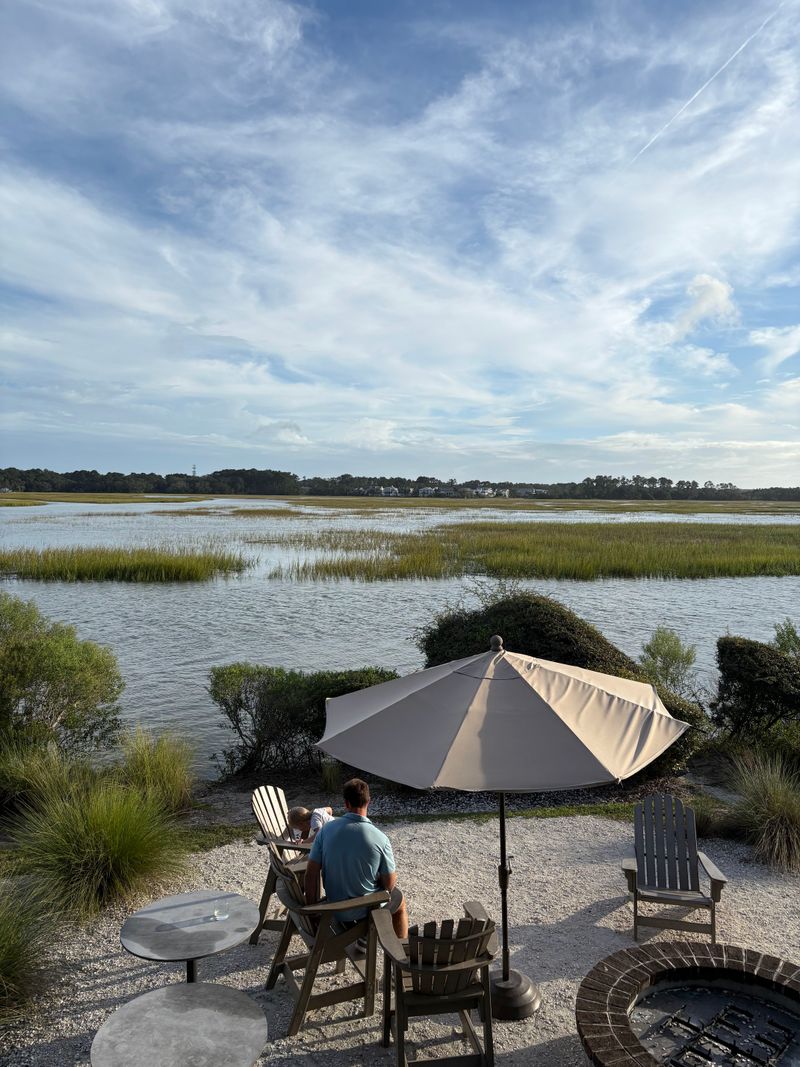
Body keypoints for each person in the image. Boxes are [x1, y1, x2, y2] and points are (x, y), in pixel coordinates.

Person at [305, 777, 408, 938]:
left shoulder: (326, 830)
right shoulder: (380, 838)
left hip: (332, 907)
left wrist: (312, 912)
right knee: (399, 901)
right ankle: (400, 953)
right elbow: (389, 885)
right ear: (369, 802)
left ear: (346, 803)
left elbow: (311, 873)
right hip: (363, 910)